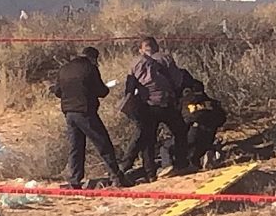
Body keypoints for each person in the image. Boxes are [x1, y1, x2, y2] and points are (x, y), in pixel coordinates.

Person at [52, 47, 129, 189]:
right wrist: (105, 88)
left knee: (76, 147)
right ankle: (116, 177)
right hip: (85, 112)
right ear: (93, 58)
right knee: (103, 143)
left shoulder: (64, 69)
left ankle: (74, 180)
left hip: (69, 113)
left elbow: (57, 92)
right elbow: (101, 91)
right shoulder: (90, 68)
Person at [120, 37, 189, 182]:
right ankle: (182, 163)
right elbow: (178, 81)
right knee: (180, 131)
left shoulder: (136, 63)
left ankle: (150, 173)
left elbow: (129, 88)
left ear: (141, 49)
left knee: (148, 139)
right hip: (167, 103)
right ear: (156, 47)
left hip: (147, 105)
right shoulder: (166, 59)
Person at [160, 72, 227, 170]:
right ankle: (206, 154)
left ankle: (168, 166)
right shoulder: (210, 102)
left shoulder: (184, 102)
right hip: (209, 135)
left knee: (166, 147)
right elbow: (222, 118)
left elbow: (183, 122)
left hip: (193, 133)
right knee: (196, 150)